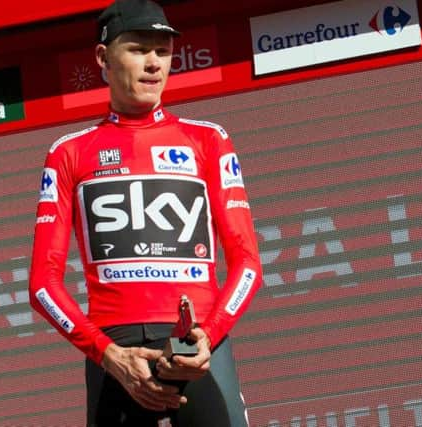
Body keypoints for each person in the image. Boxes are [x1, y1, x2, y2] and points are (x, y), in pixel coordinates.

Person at [28, 0, 263, 425]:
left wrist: (207, 337)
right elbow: (43, 284)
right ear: (103, 57)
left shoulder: (209, 140)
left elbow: (248, 263)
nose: (154, 63)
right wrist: (109, 356)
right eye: (138, 49)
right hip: (115, 349)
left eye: (163, 51)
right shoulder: (67, 153)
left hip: (200, 342)